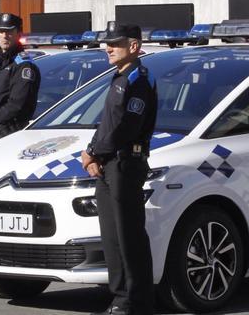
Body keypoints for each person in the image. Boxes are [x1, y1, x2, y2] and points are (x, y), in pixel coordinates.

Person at [81, 23, 157, 315]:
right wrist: (93, 152)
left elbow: (127, 127)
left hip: (126, 164)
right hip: (109, 163)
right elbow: (107, 123)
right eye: (107, 43)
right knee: (112, 238)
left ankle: (136, 302)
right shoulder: (119, 78)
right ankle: (120, 299)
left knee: (129, 237)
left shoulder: (138, 80)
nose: (108, 48)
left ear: (134, 47)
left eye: (115, 43)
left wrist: (93, 152)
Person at [0, 13, 41, 142]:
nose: (5, 36)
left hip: (11, 136)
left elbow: (16, 104)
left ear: (18, 34)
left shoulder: (24, 66)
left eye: (9, 31)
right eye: (1, 31)